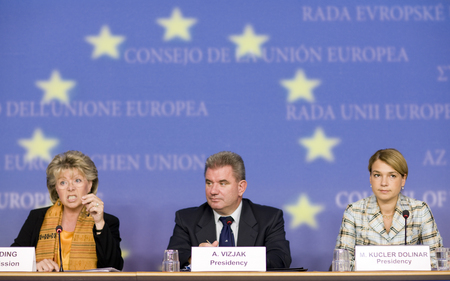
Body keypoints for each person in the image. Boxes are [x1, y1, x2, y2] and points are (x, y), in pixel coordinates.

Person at [167, 151, 291, 269]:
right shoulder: (186, 219)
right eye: (209, 183)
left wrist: (231, 261)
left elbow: (280, 259)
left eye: (222, 183)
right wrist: (196, 258)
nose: (213, 191)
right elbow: (173, 260)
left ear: (241, 187)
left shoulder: (269, 218)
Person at [12, 150, 124, 272]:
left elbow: (115, 268)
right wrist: (35, 265)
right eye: (63, 182)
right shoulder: (37, 218)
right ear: (56, 188)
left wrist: (99, 223)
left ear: (89, 185)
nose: (70, 188)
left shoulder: (107, 222)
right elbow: (11, 262)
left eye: (77, 180)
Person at [335, 148, 443, 270]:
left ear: (403, 179)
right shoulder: (354, 211)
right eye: (377, 175)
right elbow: (342, 264)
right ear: (370, 178)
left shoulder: (420, 210)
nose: (384, 183)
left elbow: (437, 262)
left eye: (392, 176)